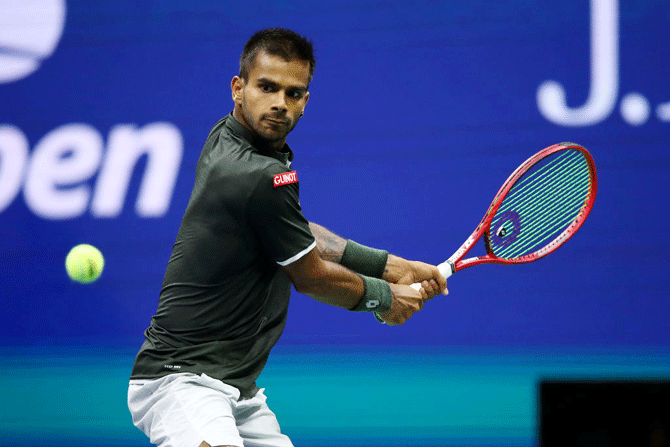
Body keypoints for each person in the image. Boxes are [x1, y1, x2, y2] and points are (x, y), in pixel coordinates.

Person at [127, 28, 448, 447]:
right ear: (238, 89)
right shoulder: (255, 174)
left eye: (294, 93)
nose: (280, 103)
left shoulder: (234, 138)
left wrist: (393, 267)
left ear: (306, 102)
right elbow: (311, 276)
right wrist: (385, 298)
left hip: (235, 389)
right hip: (181, 380)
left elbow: (294, 232)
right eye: (267, 87)